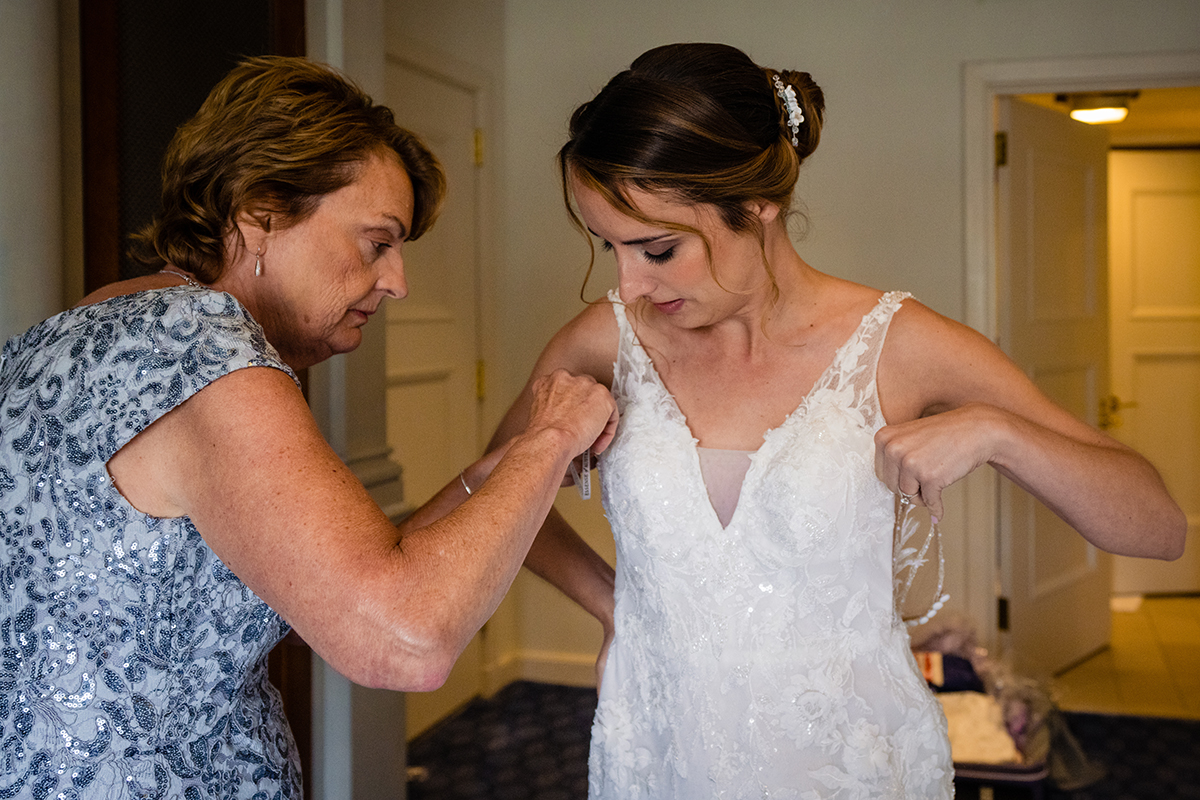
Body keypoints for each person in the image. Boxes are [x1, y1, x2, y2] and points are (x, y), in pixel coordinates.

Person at [490, 43, 1186, 798]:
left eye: (658, 248)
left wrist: (999, 432)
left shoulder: (900, 344)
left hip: (849, 761)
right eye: (609, 247)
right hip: (658, 745)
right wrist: (612, 605)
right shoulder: (604, 340)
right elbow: (495, 494)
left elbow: (1157, 527)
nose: (628, 282)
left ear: (758, 206)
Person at [0, 57, 616, 799]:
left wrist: (492, 474)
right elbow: (404, 641)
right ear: (261, 213)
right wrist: (551, 438)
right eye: (376, 242)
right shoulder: (205, 350)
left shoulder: (75, 329)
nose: (396, 282)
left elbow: (325, 582)